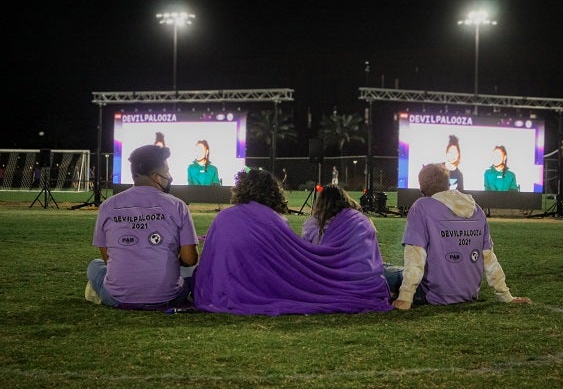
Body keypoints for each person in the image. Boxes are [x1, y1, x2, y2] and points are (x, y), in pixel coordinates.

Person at [192, 168, 392, 316]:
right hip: (267, 287)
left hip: (223, 291)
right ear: (272, 192)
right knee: (391, 273)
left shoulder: (223, 219)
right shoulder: (275, 221)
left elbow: (210, 261)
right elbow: (291, 263)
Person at [390, 163, 531, 310]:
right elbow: (489, 258)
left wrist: (405, 297)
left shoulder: (421, 207)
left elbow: (415, 255)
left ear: (422, 188)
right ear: (447, 183)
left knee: (381, 271)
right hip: (468, 294)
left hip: (432, 295)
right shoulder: (476, 208)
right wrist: (506, 296)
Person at [85, 145, 199, 310]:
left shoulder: (108, 206)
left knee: (95, 266)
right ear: (156, 177)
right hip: (169, 297)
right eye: (167, 172)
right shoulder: (178, 206)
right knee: (192, 272)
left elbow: (107, 258)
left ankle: (100, 291)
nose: (169, 177)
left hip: (118, 297)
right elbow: (190, 260)